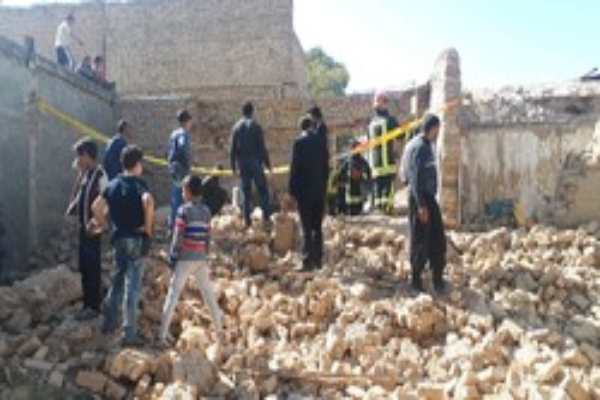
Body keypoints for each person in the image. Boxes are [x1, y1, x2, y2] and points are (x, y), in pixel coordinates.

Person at [92, 145, 155, 346]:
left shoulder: (113, 184)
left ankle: (109, 323)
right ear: (137, 164)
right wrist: (148, 230)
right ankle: (129, 334)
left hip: (118, 239)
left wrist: (104, 225)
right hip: (136, 239)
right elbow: (148, 202)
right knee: (132, 287)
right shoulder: (140, 185)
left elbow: (96, 206)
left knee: (117, 281)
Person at [159, 175, 223, 345]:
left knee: (173, 295)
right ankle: (219, 331)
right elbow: (207, 236)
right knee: (208, 295)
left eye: (183, 190)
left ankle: (162, 335)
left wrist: (172, 258)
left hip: (185, 258)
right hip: (200, 258)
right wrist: (205, 254)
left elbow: (178, 236)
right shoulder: (206, 211)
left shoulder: (183, 211)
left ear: (187, 191)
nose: (182, 193)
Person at [65, 138, 107, 321]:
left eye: (80, 156)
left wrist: (98, 224)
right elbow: (78, 197)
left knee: (92, 268)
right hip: (84, 230)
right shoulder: (86, 175)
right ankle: (87, 304)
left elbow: (106, 203)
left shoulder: (100, 175)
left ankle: (94, 306)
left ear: (88, 155)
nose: (78, 160)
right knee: (84, 268)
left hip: (93, 231)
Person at [407, 114, 447, 294]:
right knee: (419, 240)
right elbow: (414, 178)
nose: (438, 132)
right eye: (437, 129)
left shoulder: (428, 145)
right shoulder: (418, 148)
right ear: (432, 128)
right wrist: (421, 205)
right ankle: (416, 281)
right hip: (420, 200)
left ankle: (437, 278)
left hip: (429, 198)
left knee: (437, 238)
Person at [289, 116, 328, 271]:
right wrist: (324, 188)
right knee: (317, 226)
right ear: (312, 126)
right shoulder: (321, 142)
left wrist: (292, 191)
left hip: (304, 192)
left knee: (306, 227)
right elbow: (326, 167)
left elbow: (295, 168)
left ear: (301, 128)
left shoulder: (299, 143)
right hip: (319, 191)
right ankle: (318, 260)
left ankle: (307, 261)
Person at [230, 102, 272, 228]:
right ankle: (266, 218)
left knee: (246, 193)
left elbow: (232, 149)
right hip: (256, 163)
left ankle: (247, 221)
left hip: (243, 164)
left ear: (242, 112)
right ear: (252, 112)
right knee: (263, 190)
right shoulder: (256, 126)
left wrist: (233, 167)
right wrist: (268, 165)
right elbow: (262, 148)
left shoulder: (237, 127)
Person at [368, 91, 399, 213]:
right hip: (387, 162)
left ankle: (380, 209)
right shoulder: (389, 120)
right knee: (388, 186)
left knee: (378, 187)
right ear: (385, 103)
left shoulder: (371, 123)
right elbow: (400, 135)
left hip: (375, 164)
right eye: (385, 102)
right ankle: (388, 208)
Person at [168, 110, 194, 231]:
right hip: (181, 169)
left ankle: (173, 225)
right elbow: (183, 147)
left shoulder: (174, 133)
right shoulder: (183, 134)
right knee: (181, 197)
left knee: (175, 197)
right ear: (187, 121)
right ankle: (177, 227)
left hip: (174, 168)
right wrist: (188, 164)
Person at [340, 140, 371, 216]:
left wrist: (367, 178)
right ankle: (353, 210)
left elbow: (368, 169)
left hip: (356, 182)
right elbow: (342, 170)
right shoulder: (350, 159)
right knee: (352, 196)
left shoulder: (355, 159)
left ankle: (356, 210)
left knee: (357, 196)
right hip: (352, 182)